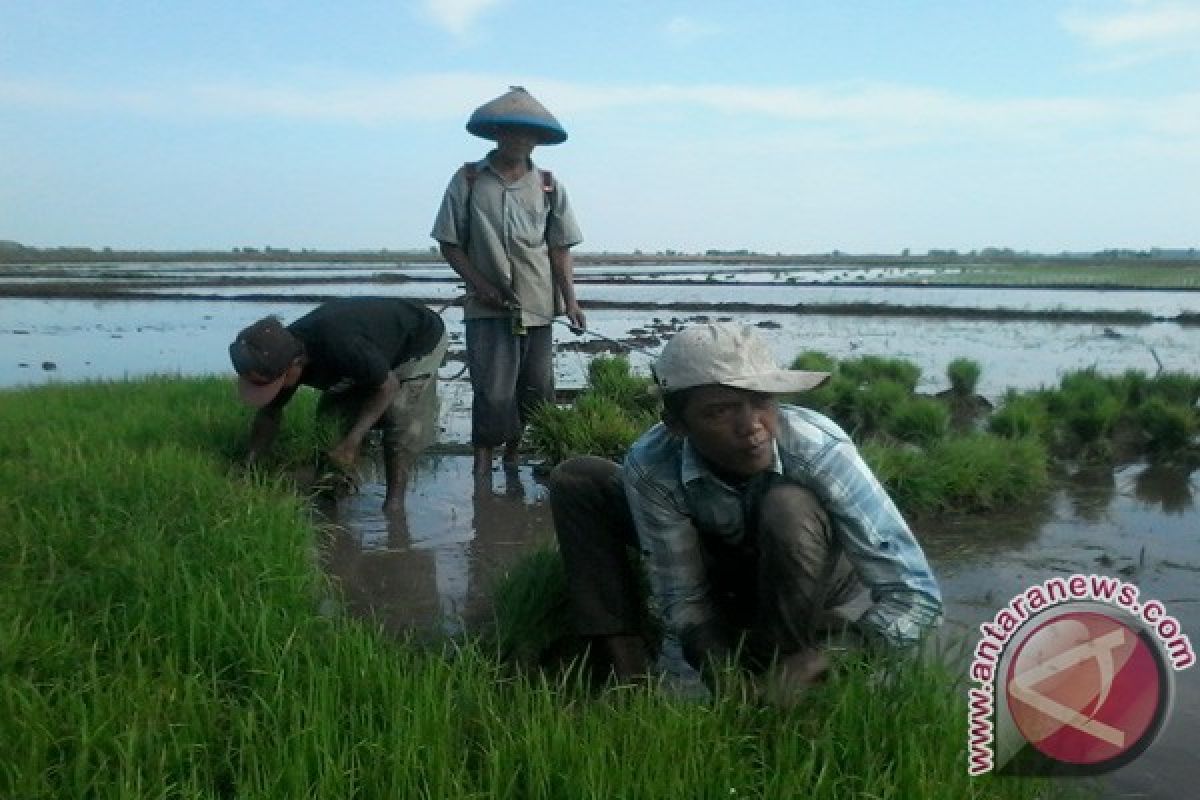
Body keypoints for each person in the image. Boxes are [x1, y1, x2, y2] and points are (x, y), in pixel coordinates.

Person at [549, 322, 943, 700]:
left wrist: (832, 657)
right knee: (579, 478)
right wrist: (706, 676)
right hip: (720, 563)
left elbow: (915, 597)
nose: (752, 426)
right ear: (676, 425)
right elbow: (681, 598)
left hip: (812, 562)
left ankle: (786, 660)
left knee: (787, 507)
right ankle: (630, 679)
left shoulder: (819, 448)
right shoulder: (653, 464)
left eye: (762, 401)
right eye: (720, 411)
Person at [431, 86, 586, 478]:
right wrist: (480, 285)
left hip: (536, 306)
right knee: (491, 390)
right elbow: (449, 244)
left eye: (528, 134)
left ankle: (513, 456)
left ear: (538, 140)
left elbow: (560, 249)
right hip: (487, 308)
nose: (520, 140)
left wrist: (571, 302)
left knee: (534, 388)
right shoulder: (468, 179)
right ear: (498, 133)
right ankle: (483, 463)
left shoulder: (548, 185)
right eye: (513, 132)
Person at [228, 296, 448, 513]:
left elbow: (388, 386)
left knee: (400, 421)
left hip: (417, 342)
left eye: (275, 383)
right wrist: (250, 464)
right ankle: (333, 495)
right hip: (367, 356)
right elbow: (270, 412)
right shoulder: (278, 353)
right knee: (330, 423)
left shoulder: (341, 344)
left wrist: (353, 440)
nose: (277, 389)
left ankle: (394, 507)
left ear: (296, 364)